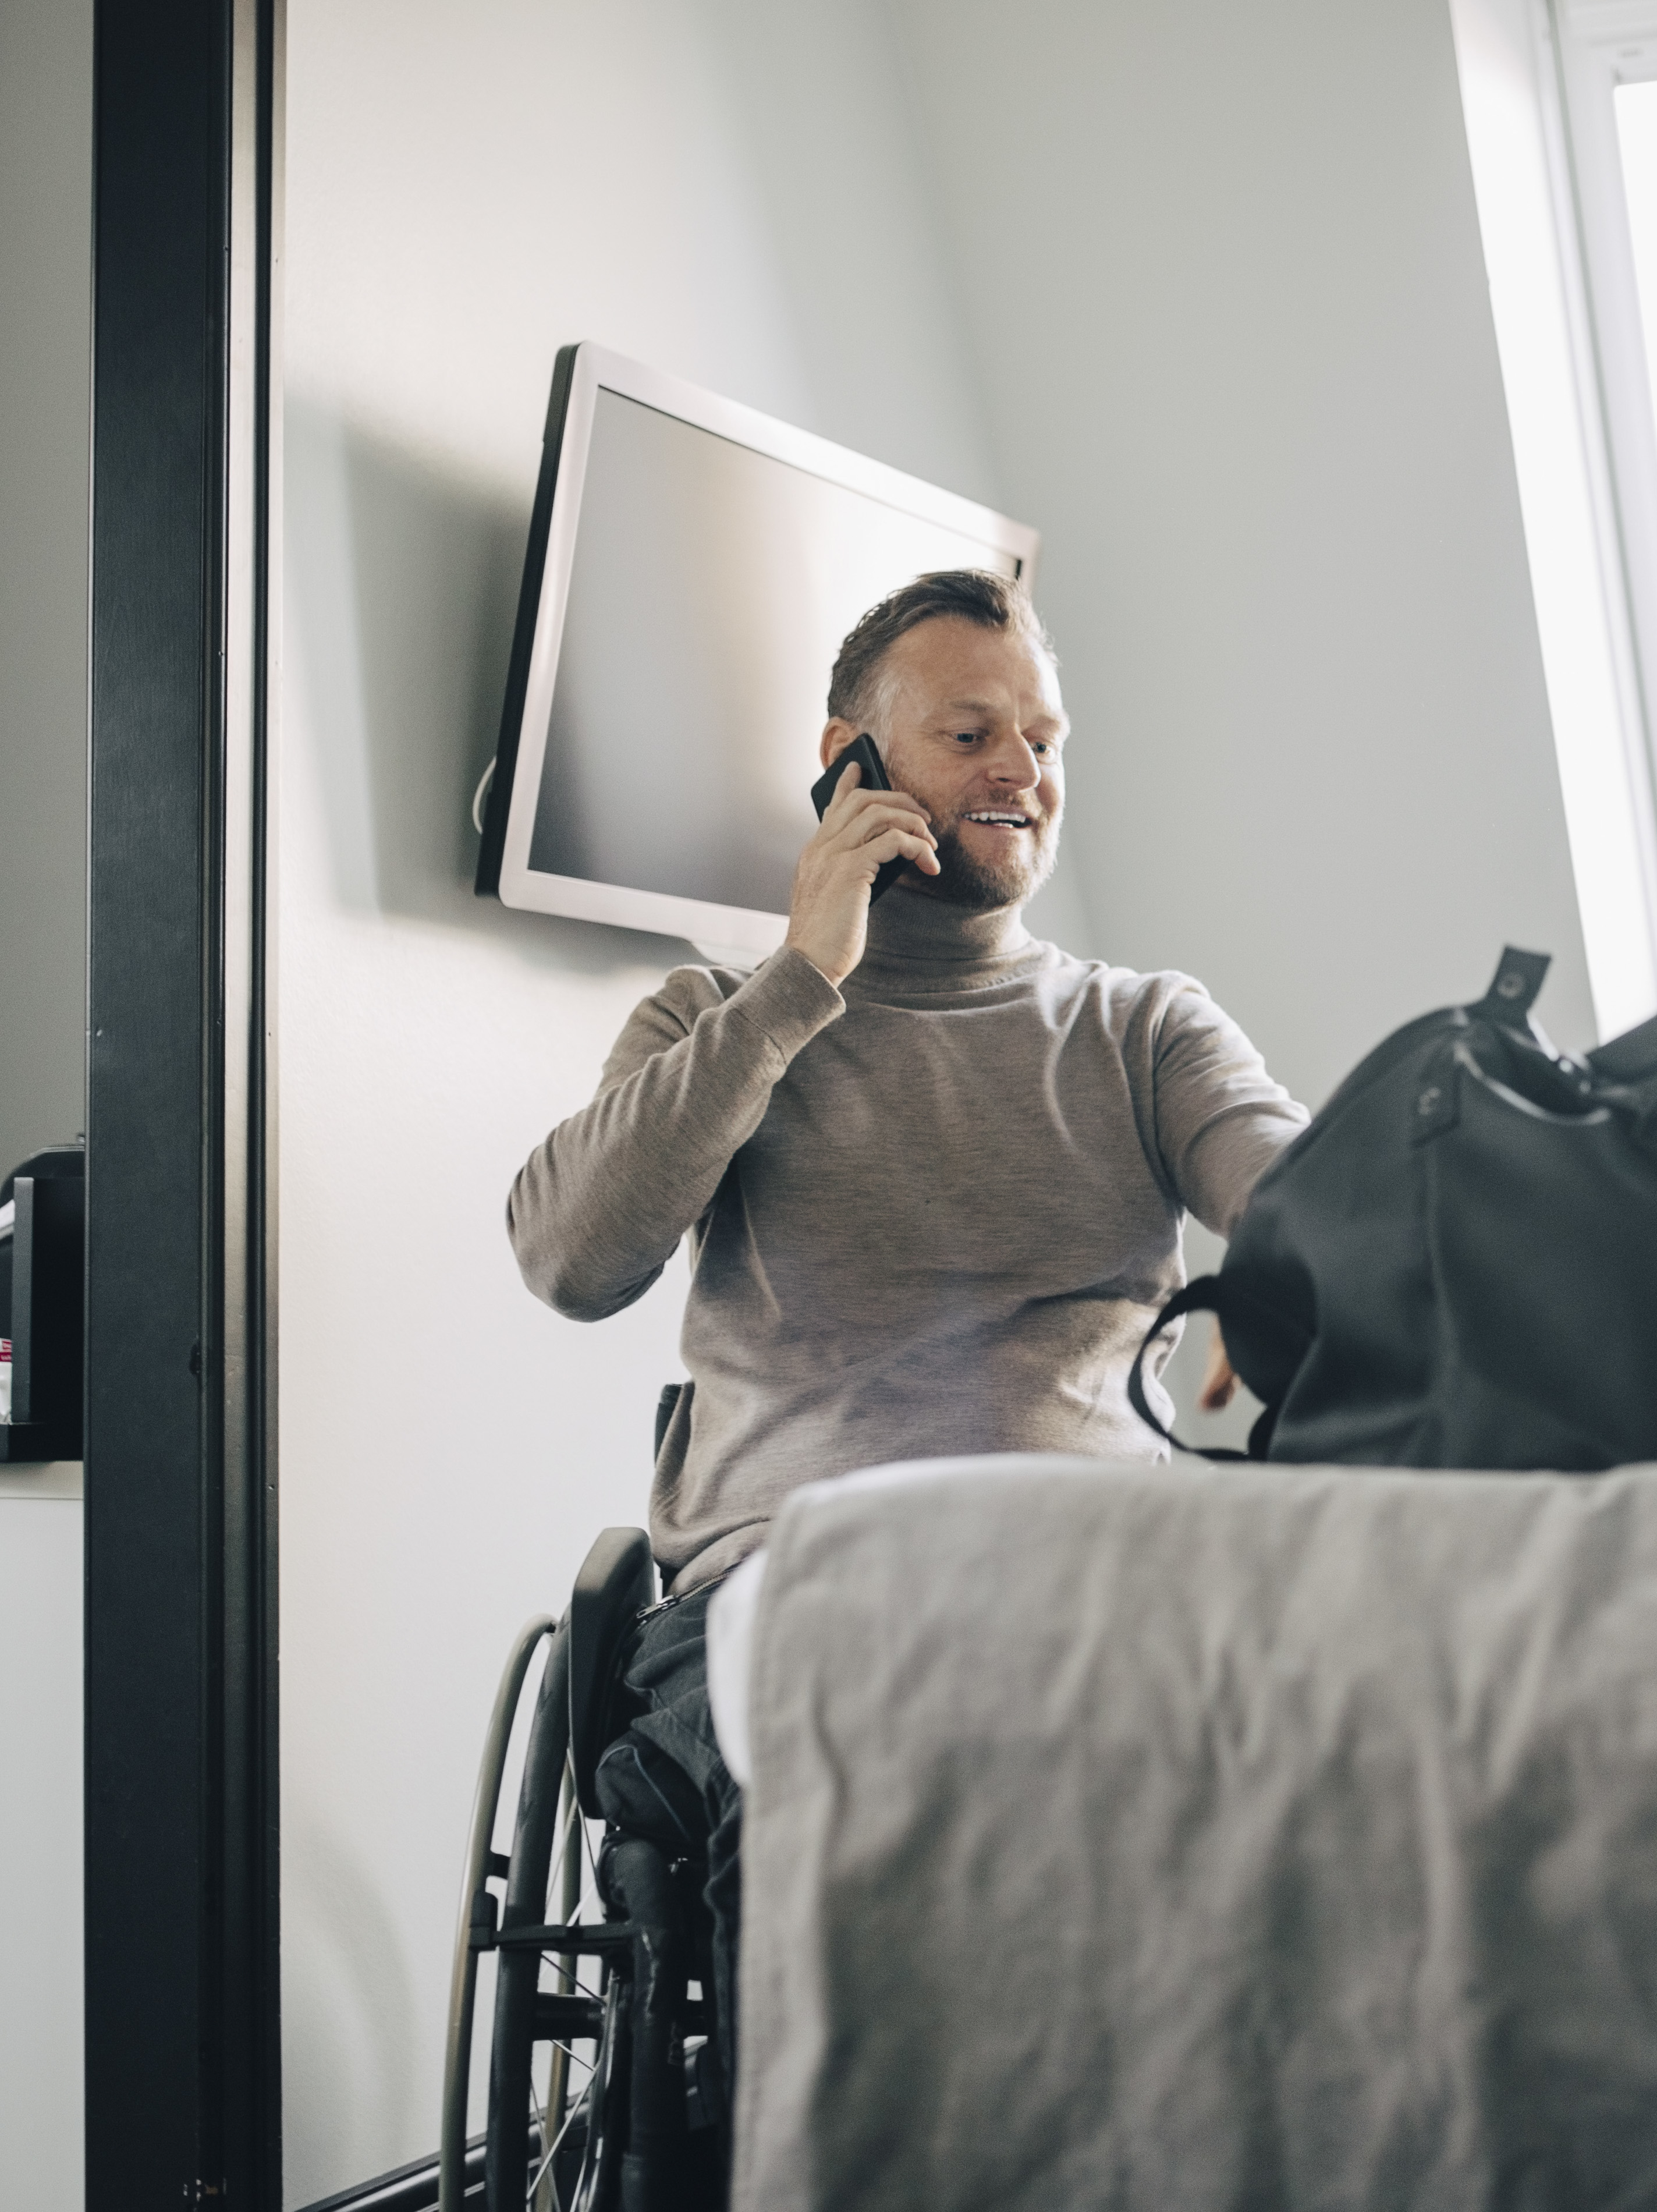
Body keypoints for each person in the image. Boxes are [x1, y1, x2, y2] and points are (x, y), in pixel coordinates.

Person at [505, 568, 1307, 2125]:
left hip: (1094, 1582)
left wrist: (1310, 1272)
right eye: (968, 732)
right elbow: (567, 1256)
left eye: (1042, 736)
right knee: (874, 1739)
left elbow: (1296, 1186)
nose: (1022, 770)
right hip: (802, 1588)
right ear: (846, 763)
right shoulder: (713, 1020)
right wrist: (800, 983)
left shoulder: (1144, 1030)